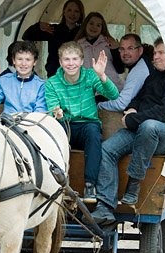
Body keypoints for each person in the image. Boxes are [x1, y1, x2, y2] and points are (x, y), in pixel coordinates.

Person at [91, 37, 165, 225]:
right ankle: (105, 205)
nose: (156, 56)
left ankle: (133, 185)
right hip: (139, 130)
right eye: (156, 53)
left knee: (149, 125)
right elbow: (138, 98)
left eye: (161, 53)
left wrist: (133, 118)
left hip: (162, 134)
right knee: (107, 149)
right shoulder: (152, 75)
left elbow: (164, 113)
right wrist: (133, 109)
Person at [45, 41, 119, 203]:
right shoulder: (52, 83)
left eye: (74, 59)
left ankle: (90, 184)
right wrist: (56, 112)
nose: (70, 64)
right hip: (66, 124)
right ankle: (59, 184)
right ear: (60, 62)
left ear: (81, 61)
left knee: (93, 133)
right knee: (55, 136)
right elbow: (52, 107)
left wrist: (102, 75)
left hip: (87, 124)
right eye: (66, 60)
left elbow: (113, 95)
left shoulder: (90, 76)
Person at [22, 0, 85, 77]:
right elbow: (26, 36)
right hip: (55, 75)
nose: (72, 14)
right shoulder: (53, 30)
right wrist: (38, 26)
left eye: (76, 11)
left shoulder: (83, 32)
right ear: (64, 12)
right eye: (69, 10)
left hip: (76, 76)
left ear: (80, 14)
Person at [0, 40, 46, 114]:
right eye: (20, 59)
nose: (23, 64)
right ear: (13, 60)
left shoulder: (41, 85)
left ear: (34, 62)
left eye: (28, 60)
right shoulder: (4, 80)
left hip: (32, 123)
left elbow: (40, 111)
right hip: (8, 123)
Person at [96, 33, 152, 113]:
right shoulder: (142, 62)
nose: (125, 53)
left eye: (130, 48)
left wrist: (98, 105)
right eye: (122, 49)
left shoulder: (139, 69)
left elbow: (121, 104)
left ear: (140, 50)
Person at [74, 11, 124, 90]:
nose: (94, 27)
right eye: (91, 23)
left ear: (102, 28)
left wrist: (116, 50)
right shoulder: (77, 46)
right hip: (88, 91)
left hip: (111, 88)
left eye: (98, 25)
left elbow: (120, 69)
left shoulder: (109, 43)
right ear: (85, 25)